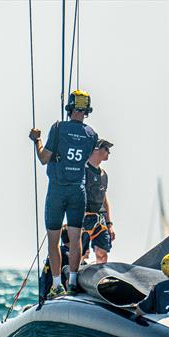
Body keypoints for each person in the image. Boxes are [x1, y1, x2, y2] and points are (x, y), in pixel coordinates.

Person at [29, 89, 98, 298]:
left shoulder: (58, 128)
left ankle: (57, 284)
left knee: (54, 239)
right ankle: (74, 282)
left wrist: (37, 140)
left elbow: (43, 158)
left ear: (69, 107)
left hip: (57, 190)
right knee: (76, 239)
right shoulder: (92, 134)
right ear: (87, 110)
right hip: (78, 190)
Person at [81, 139, 115, 264]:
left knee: (102, 254)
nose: (109, 152)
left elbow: (104, 200)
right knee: (81, 254)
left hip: (99, 220)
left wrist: (110, 224)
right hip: (82, 219)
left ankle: (102, 281)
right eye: (106, 149)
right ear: (96, 149)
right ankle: (73, 280)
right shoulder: (82, 170)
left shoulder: (104, 175)